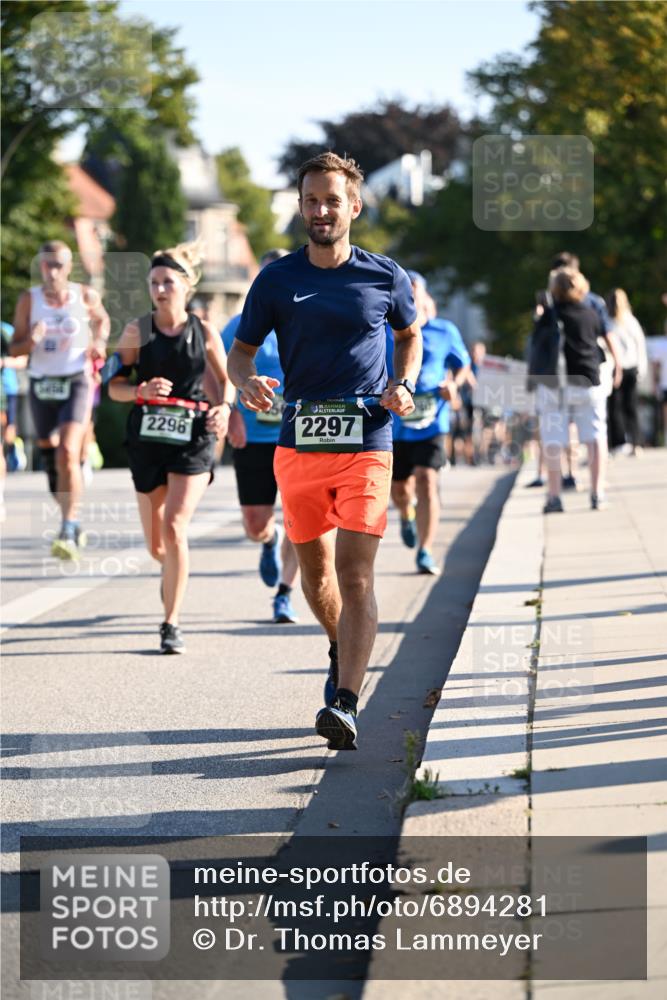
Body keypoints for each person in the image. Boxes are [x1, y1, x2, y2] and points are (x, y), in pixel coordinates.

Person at [227, 152, 422, 751]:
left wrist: (405, 382)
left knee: (355, 573)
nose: (320, 211)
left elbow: (408, 334)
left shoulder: (385, 275)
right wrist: (245, 380)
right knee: (315, 574)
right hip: (298, 443)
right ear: (301, 207)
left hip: (367, 438)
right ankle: (342, 648)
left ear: (353, 207)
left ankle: (345, 702)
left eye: (332, 201)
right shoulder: (277, 279)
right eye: (311, 201)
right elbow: (241, 351)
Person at [109, 241, 235, 654]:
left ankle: (171, 622)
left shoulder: (204, 331)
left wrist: (224, 408)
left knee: (176, 527)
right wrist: (140, 389)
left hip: (194, 438)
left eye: (168, 282)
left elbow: (227, 377)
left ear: (185, 286)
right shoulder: (136, 331)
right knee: (156, 544)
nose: (160, 289)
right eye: (154, 283)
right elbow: (114, 386)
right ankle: (173, 576)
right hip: (147, 440)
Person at [9, 241, 110, 558]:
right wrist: (32, 339)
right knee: (51, 457)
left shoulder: (84, 295)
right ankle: (71, 503)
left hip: (76, 378)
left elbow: (103, 321)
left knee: (66, 450)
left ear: (69, 267)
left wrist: (100, 342)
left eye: (58, 265)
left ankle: (68, 524)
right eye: (46, 264)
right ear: (40, 267)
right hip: (42, 382)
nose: (51, 271)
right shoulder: (30, 299)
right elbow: (14, 349)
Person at [221, 249, 300, 624]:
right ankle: (268, 542)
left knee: (302, 520)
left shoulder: (308, 320)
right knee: (256, 524)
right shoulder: (238, 325)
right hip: (253, 435)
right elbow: (219, 373)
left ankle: (284, 593)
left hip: (302, 434)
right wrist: (231, 412)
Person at [387, 270, 470, 575]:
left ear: (424, 297)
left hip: (433, 421)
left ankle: (425, 550)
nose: (408, 298)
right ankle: (407, 515)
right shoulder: (384, 330)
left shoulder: (444, 331)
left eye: (413, 293)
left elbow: (462, 365)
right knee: (399, 490)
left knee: (428, 480)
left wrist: (455, 385)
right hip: (395, 423)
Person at [538, 267, 622, 513]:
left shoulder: (549, 315)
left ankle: (554, 496)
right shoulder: (591, 312)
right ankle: (597, 493)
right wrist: (618, 367)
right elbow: (603, 340)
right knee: (596, 437)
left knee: (553, 440)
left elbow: (539, 349)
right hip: (588, 381)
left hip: (555, 385)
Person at [605, 289, 648, 456]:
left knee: (630, 406)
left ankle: (636, 442)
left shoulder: (630, 321)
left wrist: (641, 367)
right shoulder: (608, 321)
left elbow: (640, 345)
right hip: (614, 368)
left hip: (630, 367)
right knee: (614, 407)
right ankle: (618, 443)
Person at [1, 322, 28, 474]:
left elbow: (23, 360)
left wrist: (3, 363)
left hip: (6, 389)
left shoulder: (5, 330)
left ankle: (13, 447)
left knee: (7, 430)